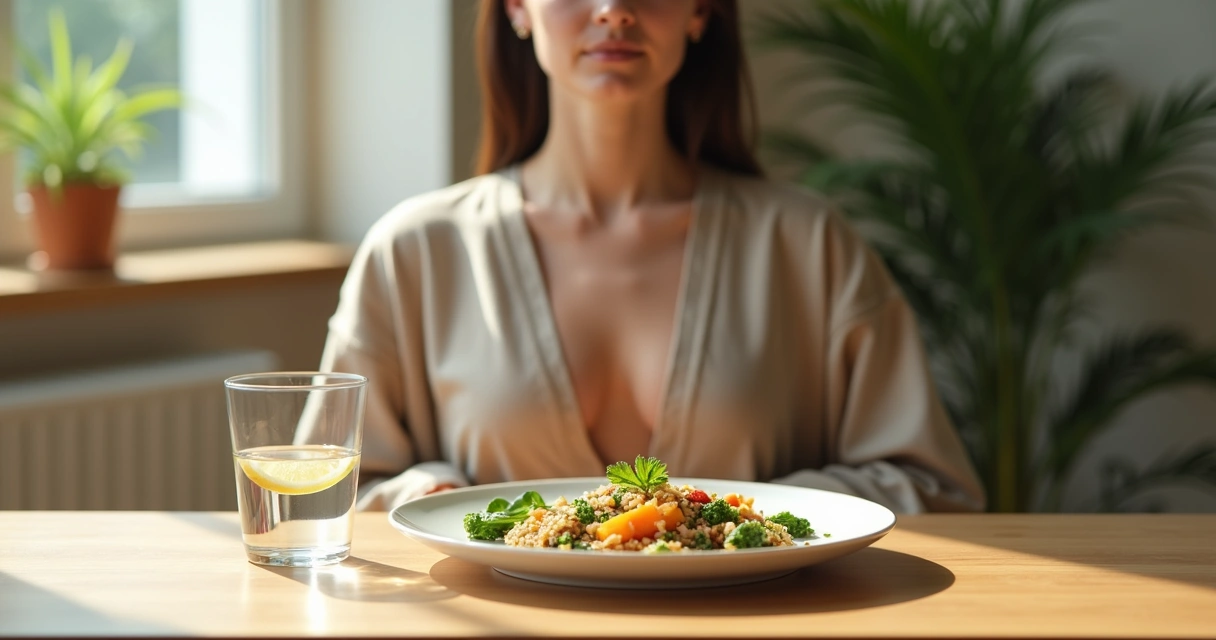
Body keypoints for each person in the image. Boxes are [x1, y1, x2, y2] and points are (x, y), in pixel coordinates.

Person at [320, 0, 985, 514]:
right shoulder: (413, 253)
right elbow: (323, 492)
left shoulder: (809, 246)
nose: (614, 9)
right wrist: (425, 495)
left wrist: (758, 514)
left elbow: (934, 486)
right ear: (517, 7)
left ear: (701, 11)